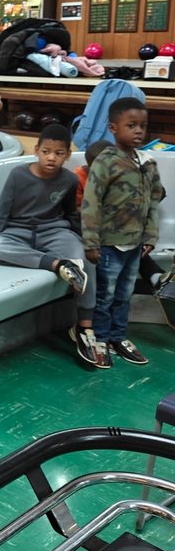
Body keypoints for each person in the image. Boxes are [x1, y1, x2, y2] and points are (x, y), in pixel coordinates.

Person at [0, 123, 99, 367]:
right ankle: (56, 264)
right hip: (18, 232)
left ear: (67, 155)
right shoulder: (19, 175)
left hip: (53, 231)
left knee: (84, 260)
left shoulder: (68, 179)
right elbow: (2, 210)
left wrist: (83, 242)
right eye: (46, 152)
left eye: (58, 153)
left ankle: (84, 327)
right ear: (36, 150)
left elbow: (69, 214)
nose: (51, 158)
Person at [82, 97, 165, 368]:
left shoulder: (147, 162)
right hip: (110, 244)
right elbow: (91, 202)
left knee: (124, 295)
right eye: (131, 125)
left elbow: (153, 201)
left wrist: (150, 237)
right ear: (114, 128)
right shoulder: (105, 162)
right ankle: (102, 339)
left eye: (143, 125)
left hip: (136, 244)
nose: (139, 131)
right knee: (105, 296)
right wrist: (91, 242)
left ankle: (118, 336)